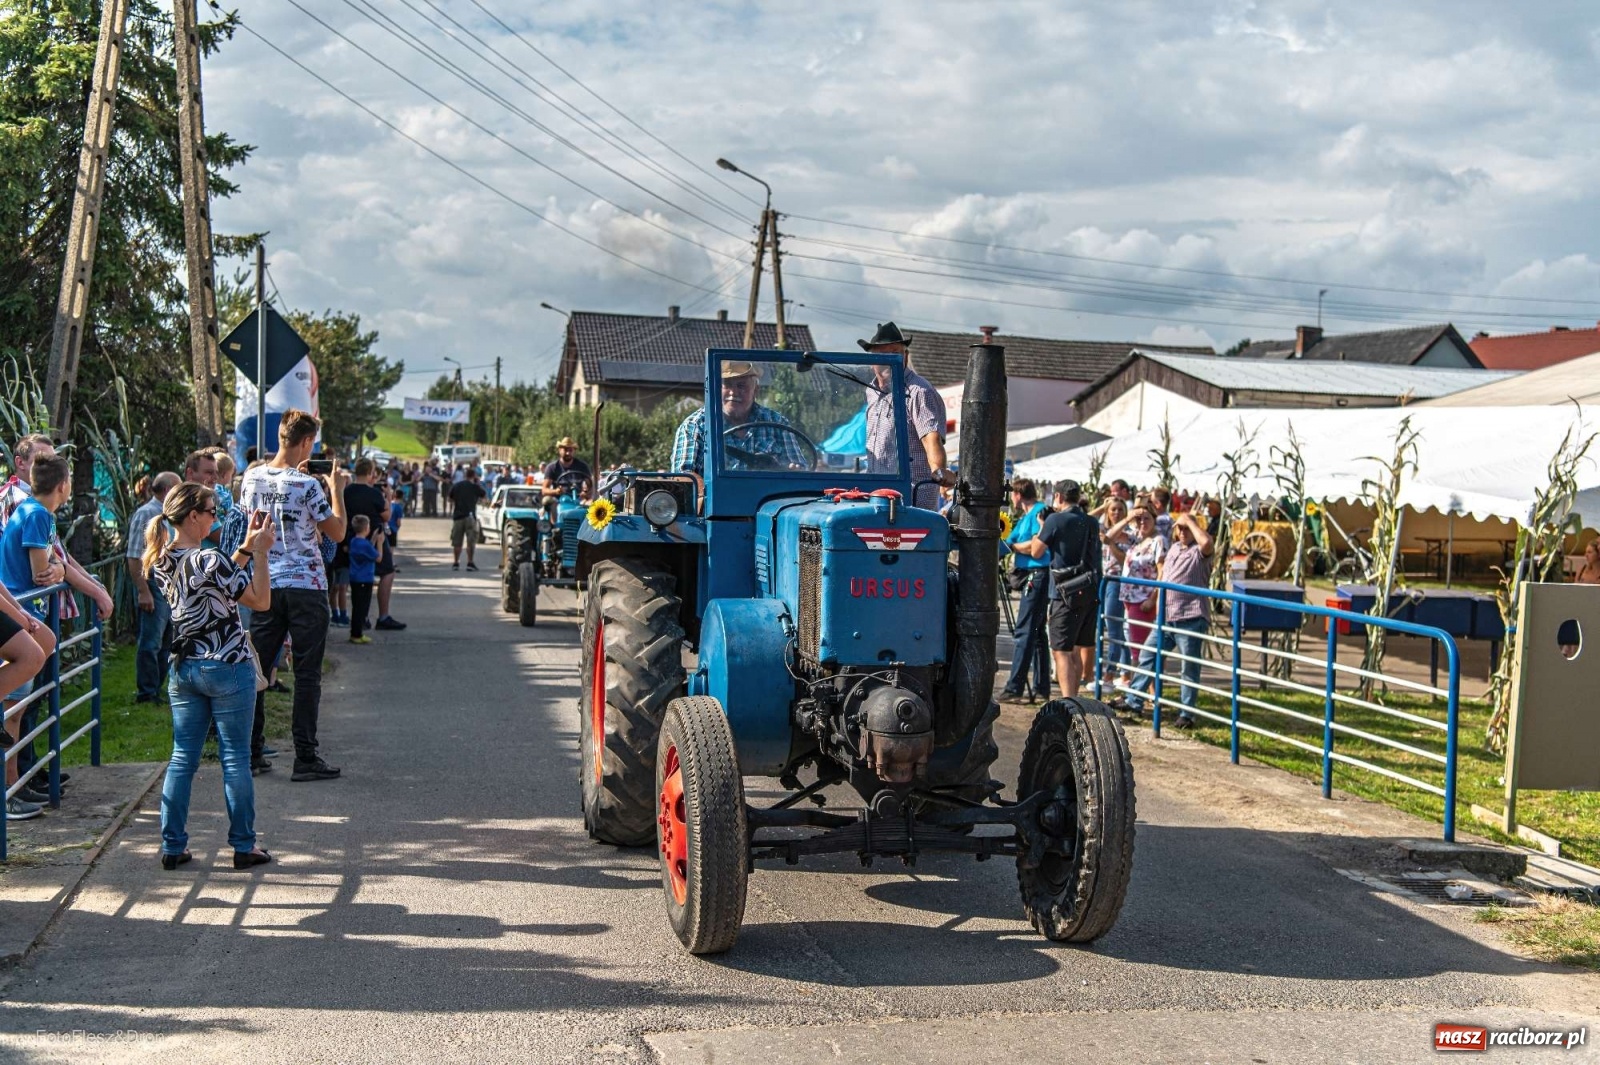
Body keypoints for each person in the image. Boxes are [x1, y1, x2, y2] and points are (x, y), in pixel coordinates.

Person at [146, 482, 276, 870]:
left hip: (185, 668)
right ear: (193, 517)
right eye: (211, 511)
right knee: (234, 757)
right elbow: (261, 601)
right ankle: (243, 845)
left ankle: (173, 846)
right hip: (227, 666)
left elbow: (209, 579)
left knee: (182, 757)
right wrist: (262, 554)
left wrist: (246, 548)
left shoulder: (161, 559)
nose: (216, 517)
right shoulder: (210, 559)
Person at [238, 409, 348, 783]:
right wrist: (337, 491)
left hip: (266, 581)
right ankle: (305, 756)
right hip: (306, 585)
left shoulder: (251, 478)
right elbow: (337, 531)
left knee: (259, 670)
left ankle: (252, 751)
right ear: (305, 442)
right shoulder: (309, 486)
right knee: (306, 673)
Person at [1, 453, 112, 798]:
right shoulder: (35, 515)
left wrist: (62, 570)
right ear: (64, 486)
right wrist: (59, 570)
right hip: (21, 613)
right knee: (14, 712)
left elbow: (55, 565)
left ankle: (18, 782)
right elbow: (41, 572)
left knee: (20, 710)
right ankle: (11, 788)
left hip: (25, 614)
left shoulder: (37, 513)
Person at [1117, 511, 1214, 728]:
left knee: (1188, 667)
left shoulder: (1200, 552)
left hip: (1191, 616)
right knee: (1147, 655)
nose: (1182, 532)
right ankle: (1135, 700)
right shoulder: (1173, 549)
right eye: (1179, 528)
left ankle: (1187, 714)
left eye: (1187, 528)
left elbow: (1207, 542)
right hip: (1166, 617)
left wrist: (1188, 519)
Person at [1016, 480, 1101, 698]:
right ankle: (1075, 698)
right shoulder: (1091, 522)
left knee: (1061, 651)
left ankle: (1068, 700)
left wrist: (1043, 525)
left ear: (1059, 497)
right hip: (1089, 589)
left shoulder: (1055, 520)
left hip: (1063, 592)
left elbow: (1036, 551)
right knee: (1075, 648)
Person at [859, 322, 951, 509]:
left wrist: (939, 471)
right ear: (872, 360)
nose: (888, 359)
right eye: (881, 354)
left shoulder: (919, 391)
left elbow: (931, 439)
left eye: (894, 353)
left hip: (911, 501)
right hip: (878, 498)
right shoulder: (872, 392)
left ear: (905, 357)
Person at [672, 360, 808, 476]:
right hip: (718, 504)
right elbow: (684, 478)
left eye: (741, 386)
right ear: (716, 389)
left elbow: (800, 470)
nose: (734, 392)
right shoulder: (695, 426)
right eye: (728, 384)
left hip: (768, 502)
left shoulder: (777, 423)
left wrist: (794, 471)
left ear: (755, 390)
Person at [127, 471, 181, 703]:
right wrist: (143, 590)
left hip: (167, 585)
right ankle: (146, 692)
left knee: (166, 641)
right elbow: (133, 555)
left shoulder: (166, 515)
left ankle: (156, 688)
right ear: (168, 490)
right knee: (151, 641)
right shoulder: (147, 514)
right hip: (152, 583)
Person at [999, 479, 1052, 703]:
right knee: (1037, 633)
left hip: (1036, 574)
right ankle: (1041, 688)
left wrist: (1015, 547)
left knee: (1024, 631)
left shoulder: (1040, 513)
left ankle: (1015, 688)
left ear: (1017, 494)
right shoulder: (1026, 516)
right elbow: (1011, 541)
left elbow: (1035, 546)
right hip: (1030, 574)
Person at [1097, 497, 1135, 689]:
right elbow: (1087, 518)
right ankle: (1125, 672)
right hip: (1103, 581)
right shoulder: (1102, 530)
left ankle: (1110, 674)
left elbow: (1123, 560)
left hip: (1117, 581)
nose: (1116, 513)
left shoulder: (1128, 535)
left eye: (1120, 510)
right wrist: (1102, 507)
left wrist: (1111, 544)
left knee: (1114, 630)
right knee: (1112, 628)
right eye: (1112, 510)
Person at [347, 515, 381, 644]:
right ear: (367, 528)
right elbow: (378, 557)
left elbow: (367, 550)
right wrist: (380, 543)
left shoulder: (354, 542)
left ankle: (356, 632)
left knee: (357, 606)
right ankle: (357, 634)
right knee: (362, 607)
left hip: (355, 578)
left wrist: (372, 539)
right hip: (365, 579)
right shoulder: (365, 545)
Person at [449, 467, 487, 571]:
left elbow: (450, 498)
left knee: (457, 541)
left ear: (465, 475)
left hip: (458, 516)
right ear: (474, 476)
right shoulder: (475, 487)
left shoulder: (457, 486)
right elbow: (484, 496)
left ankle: (456, 563)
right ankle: (470, 563)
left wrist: (457, 502)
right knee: (471, 541)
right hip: (470, 516)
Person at [542, 437, 591, 509]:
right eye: (565, 450)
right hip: (559, 500)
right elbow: (544, 490)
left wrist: (586, 493)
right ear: (559, 450)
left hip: (579, 499)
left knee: (593, 503)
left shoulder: (582, 466)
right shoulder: (552, 467)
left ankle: (584, 520)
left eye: (570, 450)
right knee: (547, 501)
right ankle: (555, 520)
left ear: (574, 451)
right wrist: (556, 491)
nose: (568, 453)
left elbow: (591, 485)